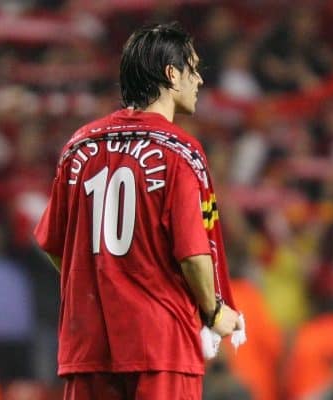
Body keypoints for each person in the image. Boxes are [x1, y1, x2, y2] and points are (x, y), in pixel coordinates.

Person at [33, 22, 242, 400]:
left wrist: (104, 281)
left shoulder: (78, 147)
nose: (199, 81)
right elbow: (194, 256)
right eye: (193, 69)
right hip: (161, 345)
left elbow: (53, 243)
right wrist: (214, 312)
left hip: (88, 346)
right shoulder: (180, 151)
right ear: (172, 74)